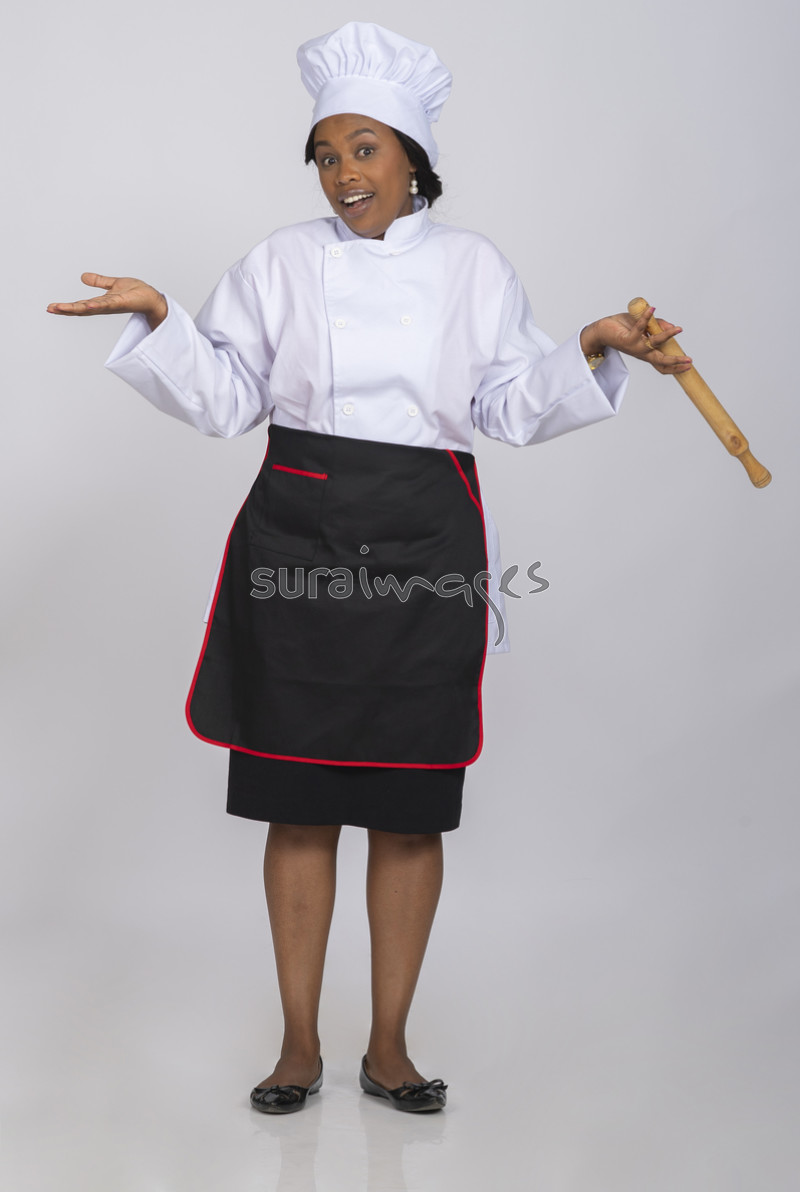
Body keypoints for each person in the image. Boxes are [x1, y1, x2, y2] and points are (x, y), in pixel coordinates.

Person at [46, 22, 692, 1115]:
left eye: (363, 149)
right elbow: (226, 398)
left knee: (407, 808)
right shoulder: (280, 263)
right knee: (298, 806)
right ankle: (298, 1044)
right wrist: (162, 320)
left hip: (423, 546)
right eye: (325, 155)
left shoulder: (473, 268)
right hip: (296, 537)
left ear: (410, 156)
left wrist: (588, 349)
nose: (343, 173)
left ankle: (388, 1046)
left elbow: (505, 406)